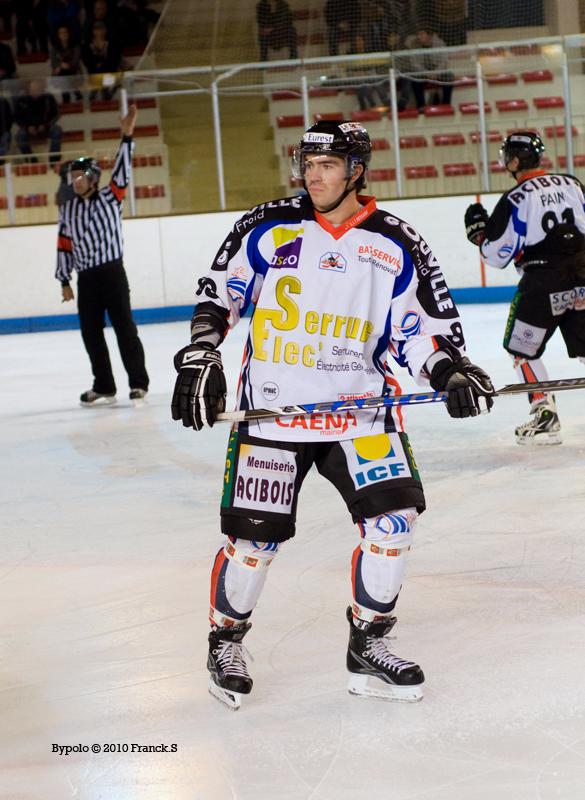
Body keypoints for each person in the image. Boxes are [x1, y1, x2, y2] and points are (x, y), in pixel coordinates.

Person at [171, 119, 494, 710]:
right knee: (252, 543)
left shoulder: (396, 241)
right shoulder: (267, 225)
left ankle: (369, 644)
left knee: (394, 523)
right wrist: (201, 355)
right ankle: (226, 640)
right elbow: (220, 295)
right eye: (306, 163)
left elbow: (420, 331)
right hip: (272, 414)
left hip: (362, 412)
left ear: (356, 170)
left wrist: (448, 371)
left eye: (325, 164)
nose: (311, 174)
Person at [465, 131, 585, 445]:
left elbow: (496, 255)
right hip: (584, 276)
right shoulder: (572, 184)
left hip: (543, 283)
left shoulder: (517, 197)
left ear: (515, 160)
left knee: (520, 349)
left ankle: (544, 413)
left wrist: (480, 235)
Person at [56, 104, 149, 407]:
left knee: (125, 328)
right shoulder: (68, 209)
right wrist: (64, 280)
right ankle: (104, 385)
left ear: (94, 176)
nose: (75, 180)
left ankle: (138, 383)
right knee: (90, 334)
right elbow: (64, 244)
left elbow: (123, 171)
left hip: (112, 273)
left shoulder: (111, 197)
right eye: (73, 176)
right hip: (86, 278)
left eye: (80, 175)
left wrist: (127, 136)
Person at [402, 27, 454, 113]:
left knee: (449, 75)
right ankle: (421, 106)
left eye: (422, 34)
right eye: (418, 34)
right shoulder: (414, 45)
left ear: (429, 35)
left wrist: (436, 72)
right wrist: (427, 73)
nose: (419, 36)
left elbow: (444, 61)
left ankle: (446, 104)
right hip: (423, 72)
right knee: (415, 77)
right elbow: (415, 64)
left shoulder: (439, 43)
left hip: (437, 70)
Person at [13, 79, 62, 164]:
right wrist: (27, 127)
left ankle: (54, 160)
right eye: (33, 90)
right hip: (28, 128)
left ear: (42, 90)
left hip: (46, 127)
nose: (35, 92)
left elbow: (56, 114)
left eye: (38, 90)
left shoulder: (48, 98)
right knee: (19, 136)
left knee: (57, 130)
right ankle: (32, 161)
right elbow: (17, 117)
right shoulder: (22, 100)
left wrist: (46, 125)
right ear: (29, 90)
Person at [50, 23, 82, 104]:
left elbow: (76, 60)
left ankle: (66, 99)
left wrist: (66, 65)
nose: (63, 34)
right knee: (63, 73)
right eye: (61, 33)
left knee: (64, 73)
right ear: (58, 35)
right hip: (61, 72)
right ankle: (76, 92)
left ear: (69, 33)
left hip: (73, 70)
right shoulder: (54, 48)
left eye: (65, 32)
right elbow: (53, 62)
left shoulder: (75, 46)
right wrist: (60, 65)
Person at [0, 95, 12, 164]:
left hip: (3, 132)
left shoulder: (3, 101)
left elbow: (9, 118)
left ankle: (2, 163)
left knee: (6, 137)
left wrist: (6, 130)